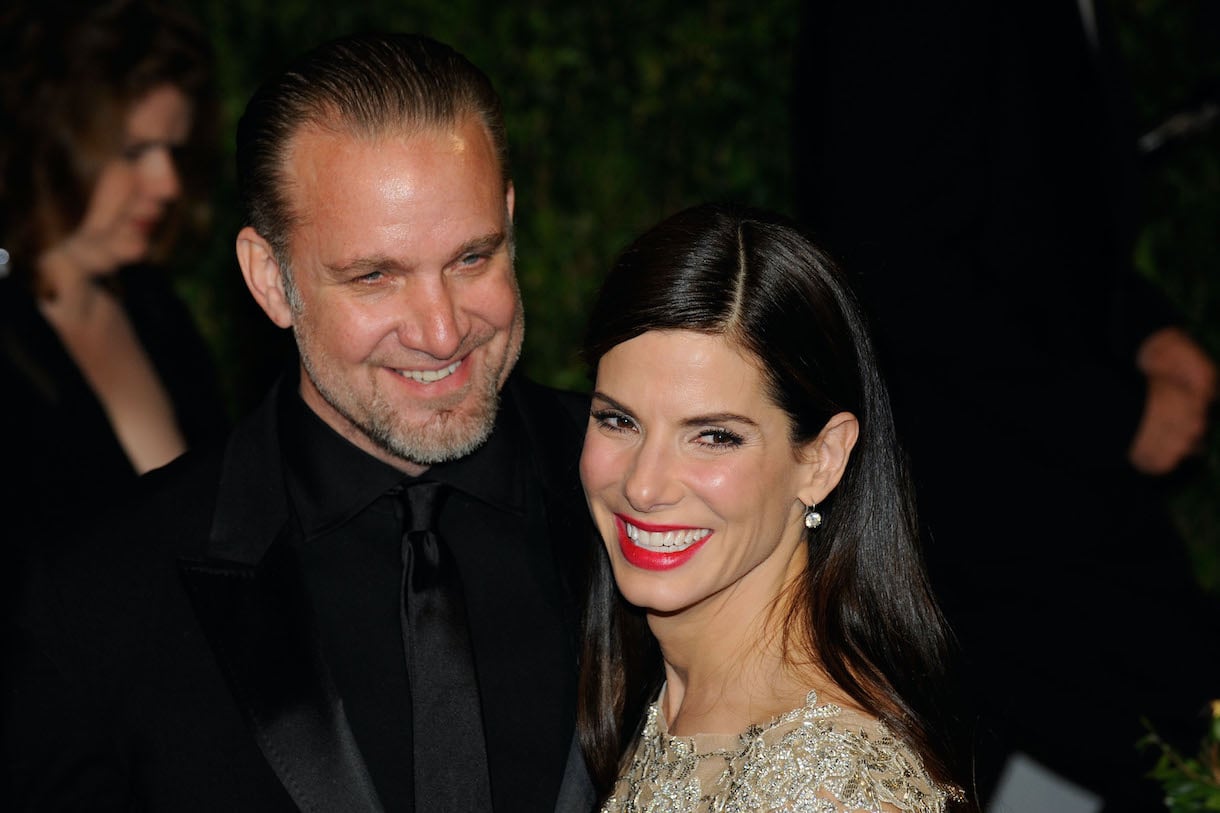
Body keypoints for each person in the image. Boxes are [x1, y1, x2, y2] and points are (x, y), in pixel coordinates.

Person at [2, 31, 596, 812]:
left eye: (472, 258)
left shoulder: (659, 494)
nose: (442, 330)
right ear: (271, 280)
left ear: (510, 222)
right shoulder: (101, 598)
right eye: (375, 276)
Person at [791, 2, 1220, 810]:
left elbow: (1034, 219)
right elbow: (897, 274)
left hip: (1054, 504)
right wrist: (1119, 416)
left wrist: (1144, 328)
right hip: (979, 526)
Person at [575, 202, 972, 812]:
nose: (643, 487)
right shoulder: (657, 701)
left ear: (821, 458)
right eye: (617, 421)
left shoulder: (827, 790)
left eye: (713, 436)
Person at [0, 0, 230, 544]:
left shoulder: (153, 306)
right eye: (134, 151)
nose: (167, 183)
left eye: (172, 150)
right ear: (45, 143)